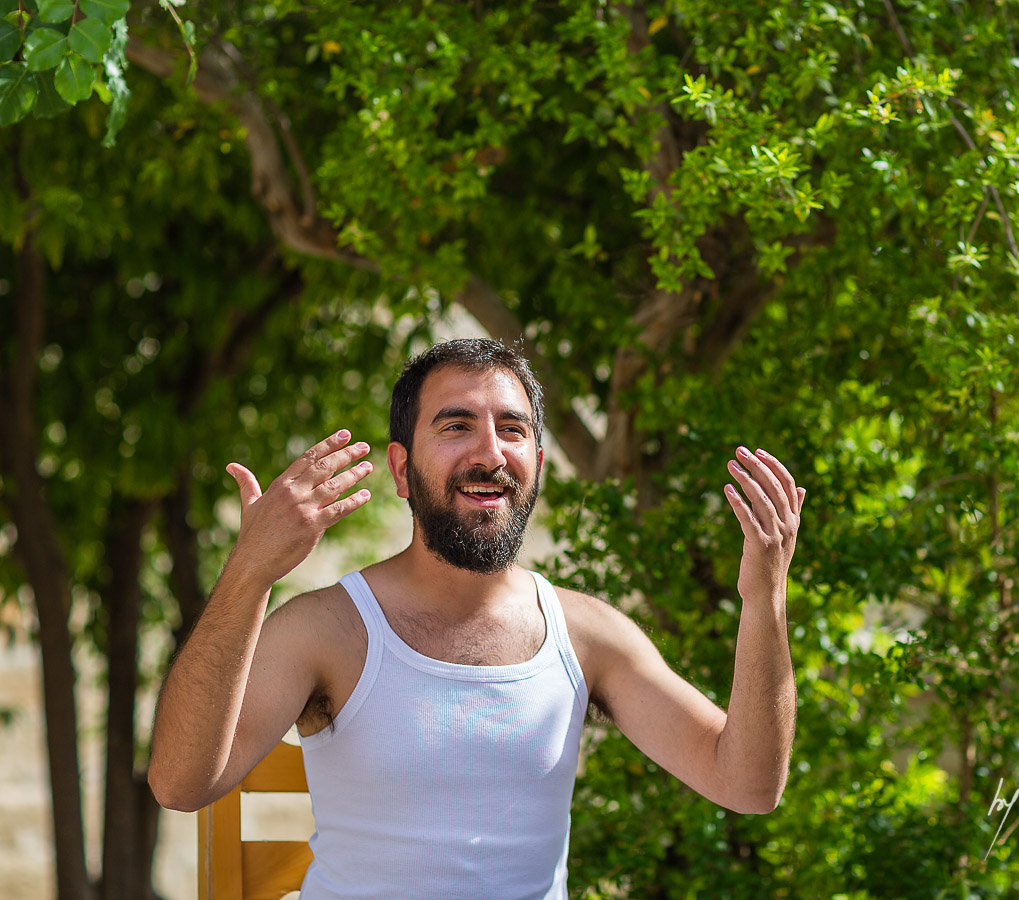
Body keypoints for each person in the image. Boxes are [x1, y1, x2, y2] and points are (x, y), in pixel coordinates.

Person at [147, 338, 806, 899]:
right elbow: (180, 783)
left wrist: (764, 599)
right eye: (456, 425)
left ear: (537, 467)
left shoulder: (587, 635)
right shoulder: (328, 630)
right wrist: (249, 574)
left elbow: (747, 784)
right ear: (402, 469)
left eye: (513, 429)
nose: (490, 452)